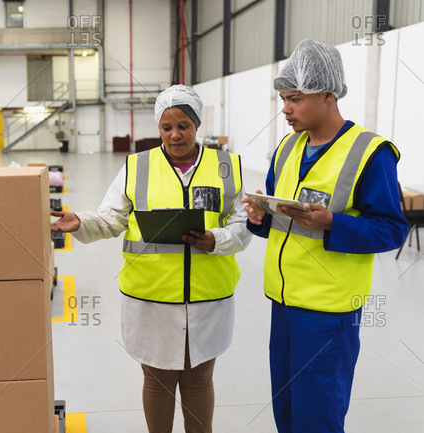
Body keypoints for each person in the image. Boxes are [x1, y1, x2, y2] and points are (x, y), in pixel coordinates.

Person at [52, 84, 251, 433]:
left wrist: (215, 240)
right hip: (150, 297)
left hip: (208, 296)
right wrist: (81, 221)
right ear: (158, 128)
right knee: (157, 379)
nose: (175, 135)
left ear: (197, 124)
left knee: (200, 378)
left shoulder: (226, 166)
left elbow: (242, 223)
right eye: (166, 127)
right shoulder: (137, 167)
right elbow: (111, 217)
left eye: (184, 125)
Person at [242, 39, 408, 433]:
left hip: (329, 312)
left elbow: (392, 229)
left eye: (295, 99)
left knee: (318, 416)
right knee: (287, 411)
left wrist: (333, 222)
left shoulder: (370, 152)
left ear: (328, 95)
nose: (285, 109)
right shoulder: (287, 147)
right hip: (283, 303)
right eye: (283, 98)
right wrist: (258, 216)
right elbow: (280, 219)